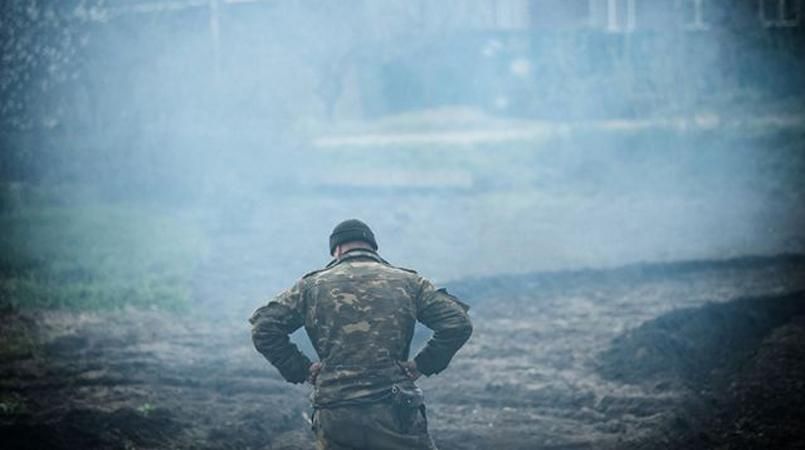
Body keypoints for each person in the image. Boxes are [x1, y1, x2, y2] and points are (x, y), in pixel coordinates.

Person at [250, 219, 473, 450]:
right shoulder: (409, 283)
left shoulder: (310, 286)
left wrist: (301, 368)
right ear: (372, 247)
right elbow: (457, 323)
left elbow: (264, 327)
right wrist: (423, 364)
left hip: (336, 410)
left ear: (336, 250)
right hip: (394, 406)